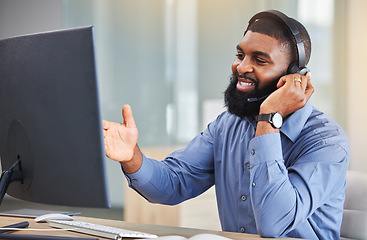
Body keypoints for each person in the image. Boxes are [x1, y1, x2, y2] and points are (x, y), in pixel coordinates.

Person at [103, 10, 350, 239]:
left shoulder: (327, 142)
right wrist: (131, 157)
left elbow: (274, 223)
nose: (241, 67)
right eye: (240, 55)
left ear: (294, 77)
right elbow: (173, 183)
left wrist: (268, 120)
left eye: (260, 60)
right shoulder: (228, 125)